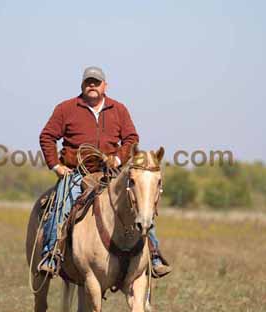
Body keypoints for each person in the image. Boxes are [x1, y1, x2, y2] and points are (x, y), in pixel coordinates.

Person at [38, 66, 171, 278]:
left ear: (104, 86)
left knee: (139, 204)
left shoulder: (118, 109)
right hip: (76, 173)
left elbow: (131, 138)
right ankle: (51, 254)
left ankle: (153, 255)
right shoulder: (66, 109)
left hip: (112, 173)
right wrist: (56, 166)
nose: (92, 85)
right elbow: (47, 136)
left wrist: (117, 158)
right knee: (62, 204)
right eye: (88, 82)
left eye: (96, 82)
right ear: (82, 85)